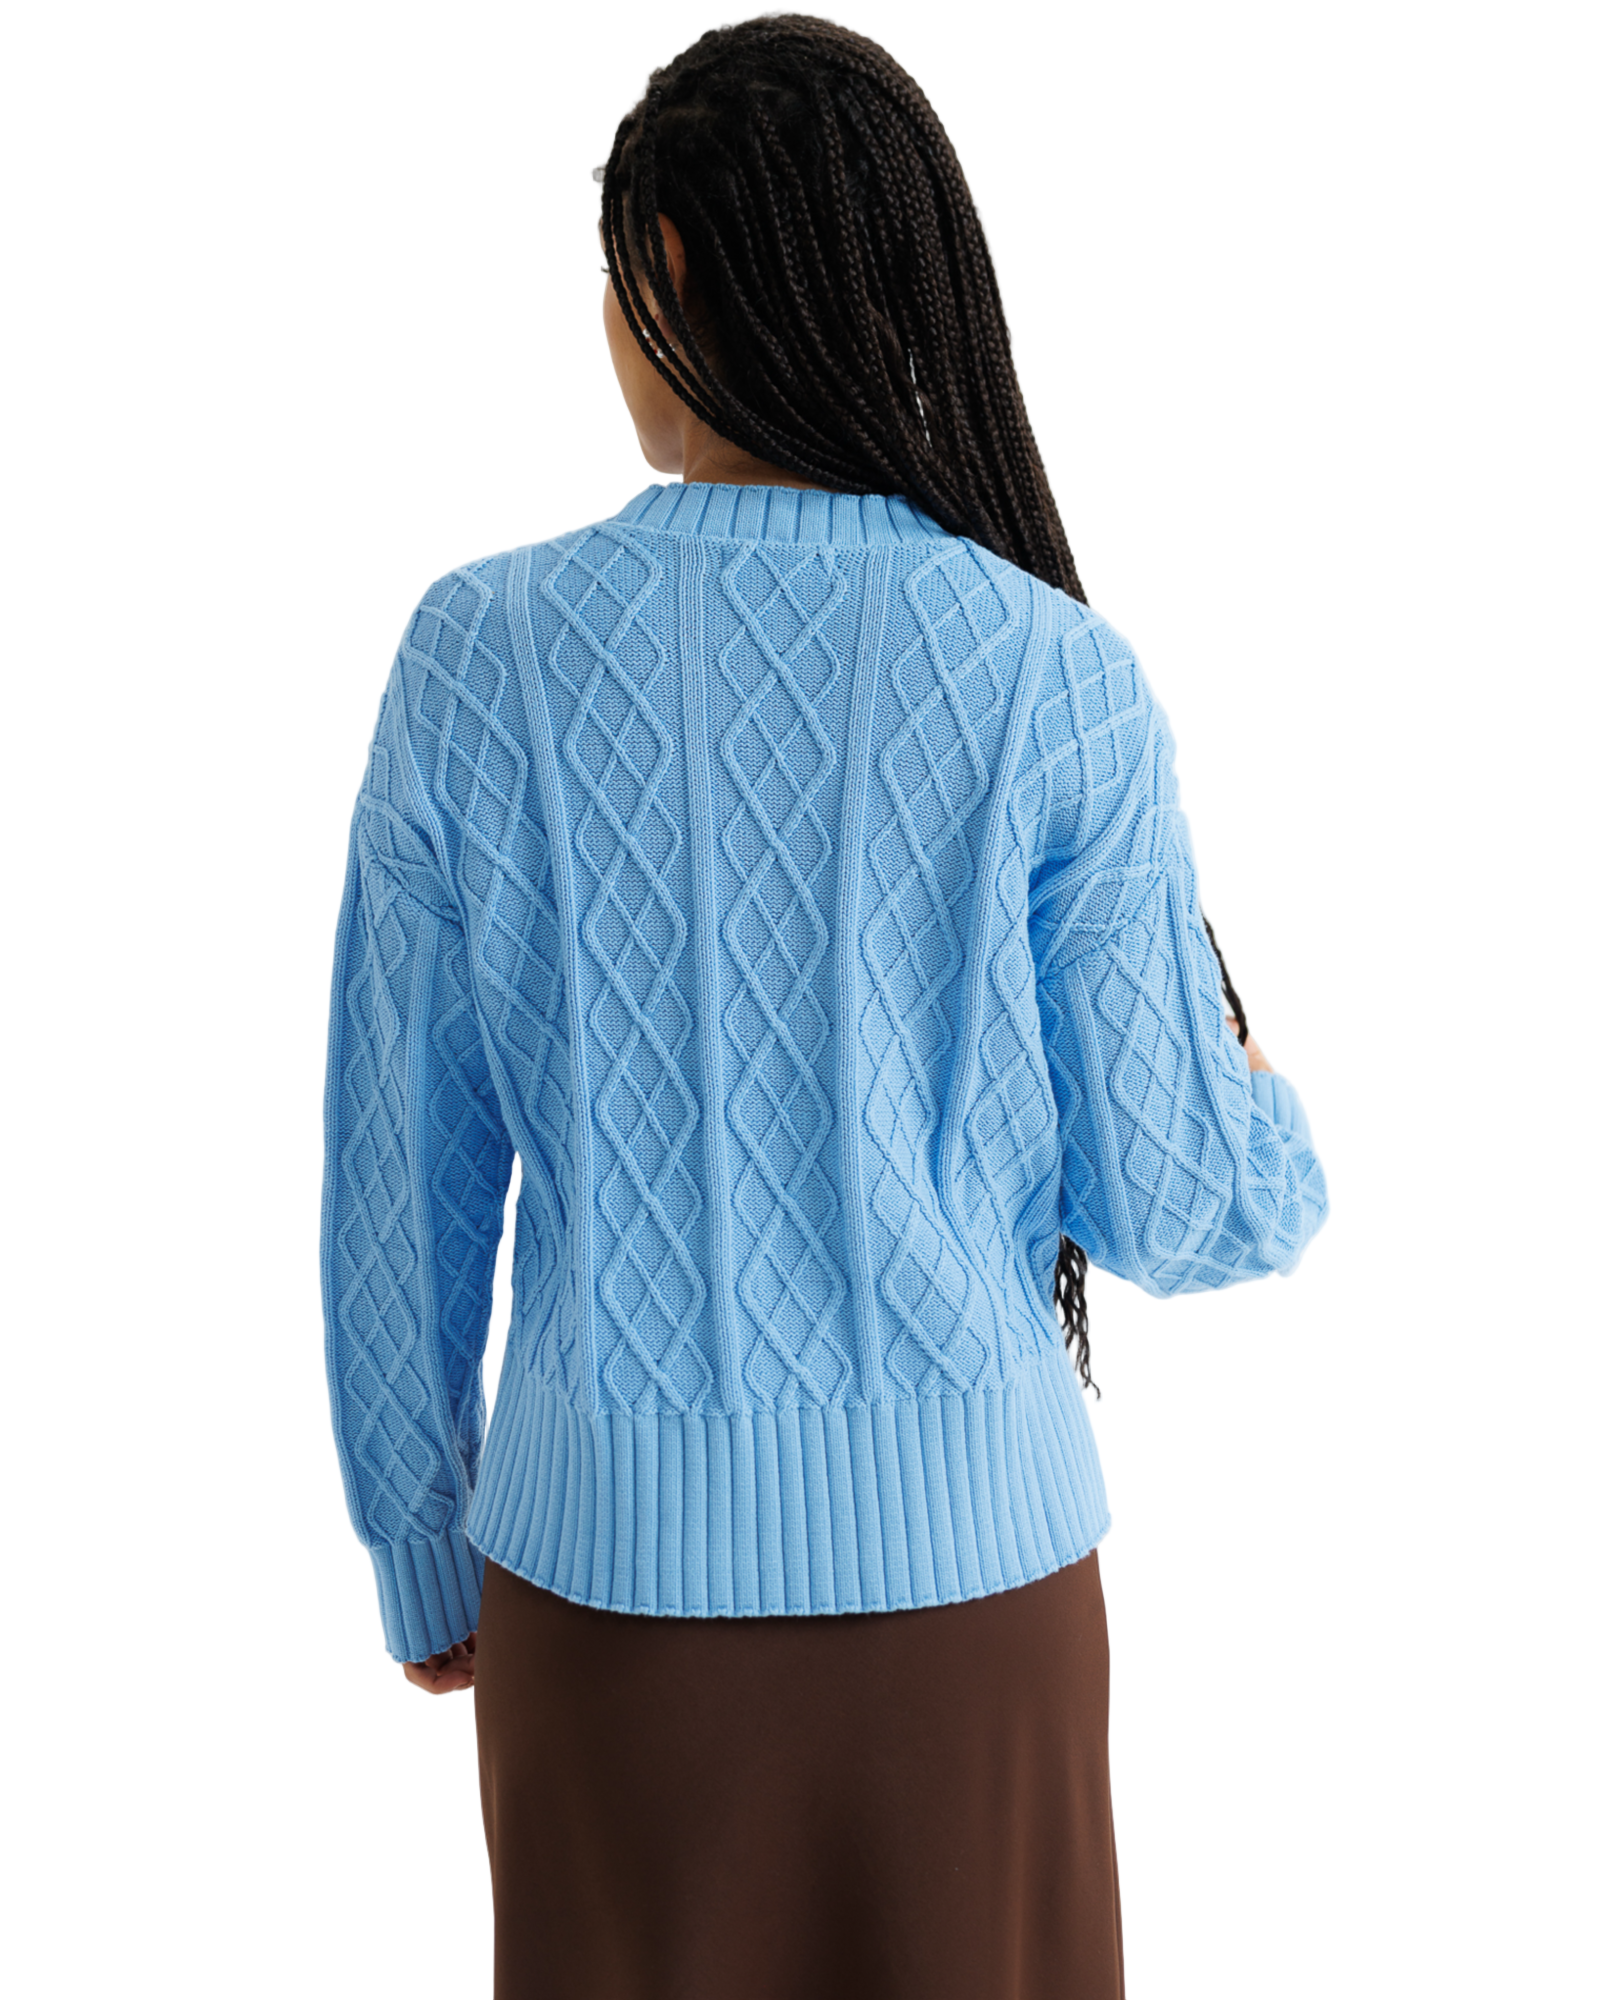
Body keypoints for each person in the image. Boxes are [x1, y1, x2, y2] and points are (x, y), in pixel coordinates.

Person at [319, 16, 1328, 1996]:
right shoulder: (1055, 675)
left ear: (664, 274)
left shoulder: (475, 656)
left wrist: (419, 1542)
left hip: (600, 1605)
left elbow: (397, 1176)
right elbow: (1180, 1204)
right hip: (975, 1615)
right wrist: (1267, 1112)